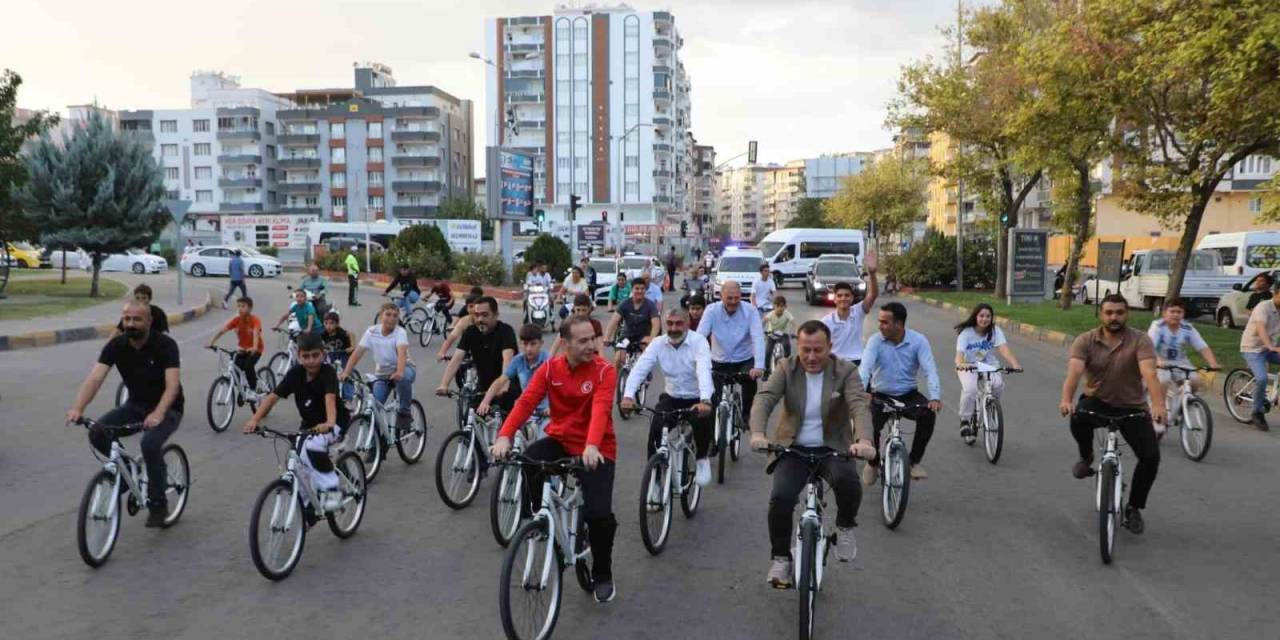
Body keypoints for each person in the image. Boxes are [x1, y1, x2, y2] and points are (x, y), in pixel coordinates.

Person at [490, 316, 620, 603]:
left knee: (598, 515)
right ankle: (538, 520)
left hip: (597, 448)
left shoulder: (604, 370)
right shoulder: (550, 369)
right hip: (561, 440)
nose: (592, 345)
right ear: (565, 343)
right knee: (527, 460)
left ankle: (602, 573)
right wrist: (504, 436)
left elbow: (601, 410)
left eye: (593, 339)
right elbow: (526, 402)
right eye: (583, 341)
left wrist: (591, 446)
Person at [749, 320, 877, 586]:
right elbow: (765, 399)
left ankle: (844, 526)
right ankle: (781, 558)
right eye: (805, 349)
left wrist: (864, 440)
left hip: (833, 447)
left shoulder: (846, 371)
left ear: (830, 347)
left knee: (848, 482)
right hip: (792, 447)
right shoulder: (786, 368)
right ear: (797, 346)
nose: (811, 357)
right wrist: (758, 434)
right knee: (781, 498)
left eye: (818, 350)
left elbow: (858, 405)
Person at [66, 300, 184, 528]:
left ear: (149, 321)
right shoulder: (116, 345)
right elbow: (95, 378)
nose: (130, 324)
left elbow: (172, 386)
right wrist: (78, 408)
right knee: (98, 432)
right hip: (135, 405)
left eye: (137, 319)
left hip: (168, 407)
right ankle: (128, 472)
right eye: (126, 319)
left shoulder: (165, 345)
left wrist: (158, 413)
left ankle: (158, 504)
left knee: (149, 444)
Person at [1059, 294, 1167, 533]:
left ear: (1127, 314)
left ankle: (1134, 507)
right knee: (1078, 417)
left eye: (1119, 312)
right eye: (1109, 313)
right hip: (1097, 401)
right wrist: (1066, 400)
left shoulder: (1140, 340)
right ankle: (1086, 457)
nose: (1114, 317)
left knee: (1151, 457)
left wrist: (1158, 405)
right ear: (1101, 314)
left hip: (1132, 406)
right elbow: (1074, 373)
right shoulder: (1085, 340)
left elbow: (1150, 374)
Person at [243, 332, 349, 519]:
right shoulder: (295, 373)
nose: (311, 361)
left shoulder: (328, 373)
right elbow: (273, 397)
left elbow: (330, 399)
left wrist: (330, 423)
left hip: (335, 422)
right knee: (297, 459)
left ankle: (332, 490)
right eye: (306, 356)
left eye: (315, 355)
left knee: (313, 446)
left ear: (323, 354)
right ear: (299, 356)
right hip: (309, 424)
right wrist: (255, 419)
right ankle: (306, 504)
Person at [620, 308, 714, 483]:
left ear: (687, 324)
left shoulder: (699, 341)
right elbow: (640, 369)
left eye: (678, 323)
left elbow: (704, 371)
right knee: (656, 430)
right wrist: (628, 396)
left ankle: (702, 459)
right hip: (672, 397)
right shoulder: (658, 343)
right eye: (669, 324)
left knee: (702, 426)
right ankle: (654, 480)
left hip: (698, 397)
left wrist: (705, 400)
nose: (673, 328)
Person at [859, 302, 941, 482]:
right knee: (868, 424)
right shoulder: (875, 341)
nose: (879, 326)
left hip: (908, 394)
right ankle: (873, 462)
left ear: (898, 324)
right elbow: (865, 370)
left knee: (928, 415)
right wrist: (861, 393)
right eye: (879, 321)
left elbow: (930, 370)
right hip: (880, 394)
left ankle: (913, 462)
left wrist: (935, 397)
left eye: (884, 322)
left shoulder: (918, 341)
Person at [696, 280, 766, 434]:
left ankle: (746, 414)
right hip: (718, 360)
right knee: (711, 399)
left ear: (741, 295)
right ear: (721, 296)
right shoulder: (711, 310)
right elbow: (699, 338)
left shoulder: (750, 311)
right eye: (729, 298)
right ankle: (712, 435)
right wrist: (696, 361)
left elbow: (758, 338)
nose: (733, 302)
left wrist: (759, 366)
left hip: (743, 359)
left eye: (736, 298)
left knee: (750, 380)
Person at [437, 296, 517, 424]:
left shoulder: (505, 331)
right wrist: (444, 384)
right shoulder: (470, 332)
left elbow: (507, 360)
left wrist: (503, 386)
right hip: (483, 386)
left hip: (506, 386)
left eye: (485, 315)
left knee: (507, 426)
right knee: (470, 422)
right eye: (477, 315)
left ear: (496, 315)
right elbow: (457, 358)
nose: (480, 319)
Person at [340, 303, 416, 431]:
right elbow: (357, 354)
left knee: (403, 378)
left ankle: (404, 412)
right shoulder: (371, 332)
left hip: (404, 368)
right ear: (380, 316)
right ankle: (376, 440)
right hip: (383, 373)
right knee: (373, 408)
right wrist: (346, 372)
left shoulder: (400, 332)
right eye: (388, 314)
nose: (391, 318)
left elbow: (402, 354)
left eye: (395, 316)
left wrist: (399, 371)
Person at [953, 303, 1022, 443]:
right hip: (968, 365)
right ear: (975, 316)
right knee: (970, 390)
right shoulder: (966, 333)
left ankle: (990, 408)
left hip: (988, 365)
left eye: (988, 316)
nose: (985, 319)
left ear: (992, 318)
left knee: (998, 384)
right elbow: (959, 355)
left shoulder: (995, 331)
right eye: (981, 316)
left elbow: (1004, 350)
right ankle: (965, 420)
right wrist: (961, 364)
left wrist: (1015, 364)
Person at [1148, 298, 1220, 407]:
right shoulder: (1158, 326)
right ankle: (1159, 407)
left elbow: (1202, 346)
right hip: (1160, 361)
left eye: (1179, 312)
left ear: (1183, 314)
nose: (1175, 315)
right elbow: (1150, 347)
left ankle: (1183, 406)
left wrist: (1213, 363)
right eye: (1172, 311)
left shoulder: (1187, 328)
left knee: (1195, 381)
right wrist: (1158, 361)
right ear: (1164, 313)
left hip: (1180, 361)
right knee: (1163, 381)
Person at [479, 324, 550, 431]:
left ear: (541, 343)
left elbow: (559, 388)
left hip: (546, 412)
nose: (529, 349)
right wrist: (485, 401)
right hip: (526, 410)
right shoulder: (518, 360)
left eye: (533, 344)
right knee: (507, 434)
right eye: (525, 344)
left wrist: (552, 407)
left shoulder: (549, 361)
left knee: (543, 437)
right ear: (520, 343)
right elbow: (500, 381)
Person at [821, 251, 879, 365]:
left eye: (847, 295)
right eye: (840, 296)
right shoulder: (826, 322)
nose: (843, 298)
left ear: (852, 298)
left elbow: (873, 294)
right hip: (836, 362)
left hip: (857, 361)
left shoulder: (858, 312)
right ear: (834, 299)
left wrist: (872, 274)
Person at [1240, 280, 1280, 430]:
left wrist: (1272, 347)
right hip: (1253, 349)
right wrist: (1270, 346)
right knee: (1262, 378)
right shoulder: (1263, 307)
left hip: (1271, 348)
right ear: (1275, 293)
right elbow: (1260, 329)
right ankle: (1257, 412)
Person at [206, 296, 265, 392]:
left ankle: (253, 389)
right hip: (242, 349)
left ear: (250, 308)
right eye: (238, 306)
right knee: (236, 368)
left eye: (243, 306)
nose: (240, 308)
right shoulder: (237, 320)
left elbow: (256, 333)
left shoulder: (255, 320)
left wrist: (254, 347)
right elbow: (222, 331)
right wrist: (211, 343)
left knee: (248, 367)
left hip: (256, 349)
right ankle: (243, 390)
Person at [603, 278, 661, 373]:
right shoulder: (625, 304)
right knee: (618, 358)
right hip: (627, 336)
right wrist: (607, 337)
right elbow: (614, 320)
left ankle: (645, 375)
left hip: (643, 336)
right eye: (637, 288)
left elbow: (656, 323)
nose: (639, 291)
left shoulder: (650, 305)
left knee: (646, 356)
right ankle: (616, 381)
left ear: (645, 290)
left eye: (642, 289)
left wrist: (651, 338)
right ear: (632, 289)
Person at [321, 311, 356, 401]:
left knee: (346, 371)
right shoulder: (323, 334)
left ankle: (349, 394)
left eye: (331, 323)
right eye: (326, 323)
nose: (328, 326)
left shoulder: (341, 333)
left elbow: (352, 336)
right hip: (333, 353)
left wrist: (352, 347)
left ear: (337, 324)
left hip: (344, 353)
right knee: (324, 367)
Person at [763, 295, 795, 370]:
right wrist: (759, 331)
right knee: (768, 352)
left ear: (785, 307)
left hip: (783, 334)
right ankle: (767, 369)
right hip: (772, 335)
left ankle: (787, 364)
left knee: (787, 345)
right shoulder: (771, 314)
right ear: (774, 306)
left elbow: (794, 323)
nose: (780, 308)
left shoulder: (787, 314)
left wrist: (798, 331)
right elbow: (763, 322)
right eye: (778, 306)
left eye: (782, 306)